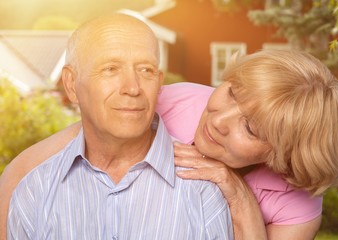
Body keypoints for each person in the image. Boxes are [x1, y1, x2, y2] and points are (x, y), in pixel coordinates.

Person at [0, 48, 338, 239]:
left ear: (283, 154)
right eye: (231, 92)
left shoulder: (296, 205)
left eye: (251, 128)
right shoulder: (177, 102)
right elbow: (23, 170)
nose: (217, 119)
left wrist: (236, 191)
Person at [4, 13, 235, 239]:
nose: (132, 88)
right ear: (71, 84)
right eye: (111, 69)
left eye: (146, 70)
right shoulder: (35, 192)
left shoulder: (205, 193)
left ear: (159, 82)